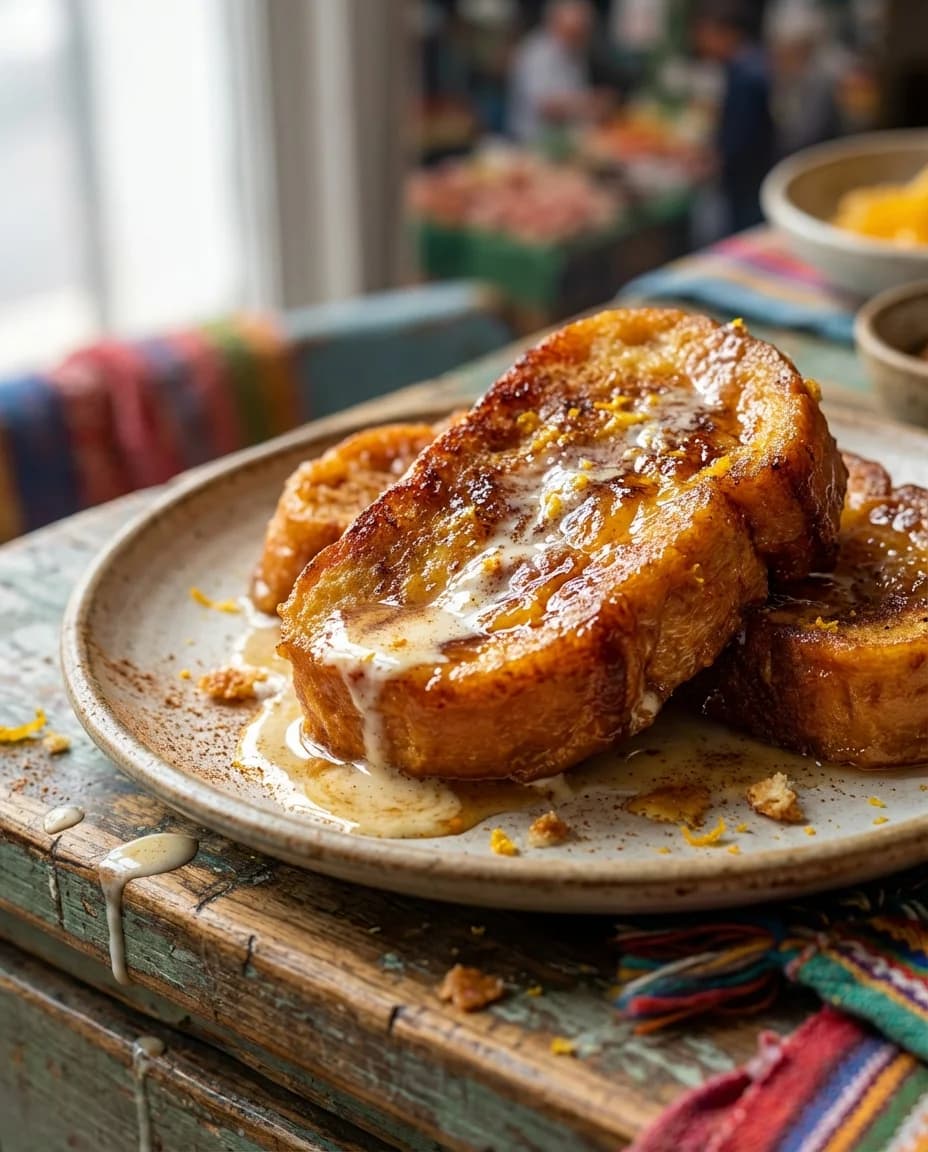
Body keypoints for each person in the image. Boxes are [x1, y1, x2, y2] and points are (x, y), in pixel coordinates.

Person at [693, 0, 776, 232]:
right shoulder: (751, 62)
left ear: (726, 32)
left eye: (705, 33)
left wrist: (713, 161)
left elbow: (741, 137)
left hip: (748, 182)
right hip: (752, 177)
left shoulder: (746, 73)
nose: (701, 42)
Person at [507, 0, 607, 144]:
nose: (581, 37)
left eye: (584, 31)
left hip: (566, 139)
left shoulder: (574, 50)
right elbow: (545, 106)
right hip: (531, 142)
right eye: (573, 31)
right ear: (555, 23)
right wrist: (589, 103)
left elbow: (577, 92)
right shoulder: (536, 53)